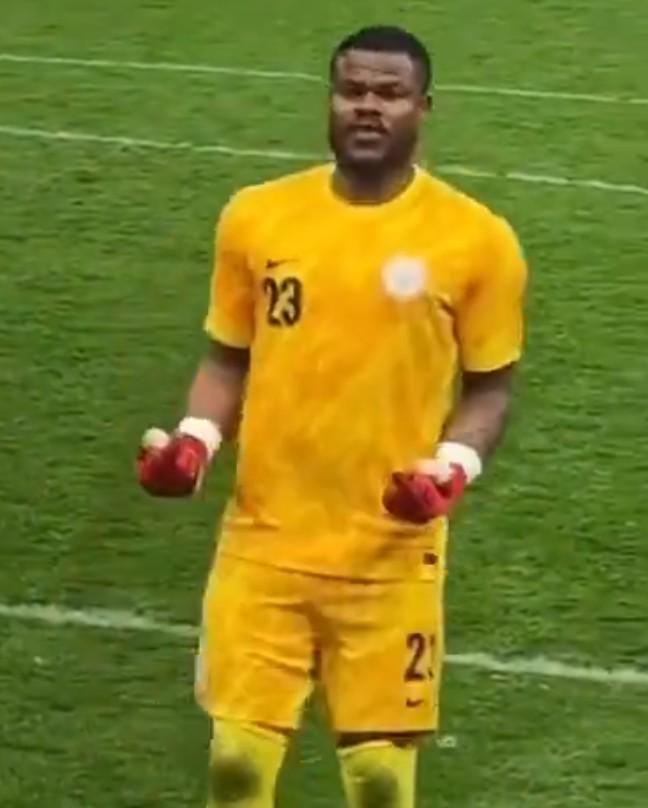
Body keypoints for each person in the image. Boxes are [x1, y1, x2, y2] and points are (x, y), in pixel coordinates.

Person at [137, 24, 528, 808]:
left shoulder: (478, 240)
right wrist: (195, 442)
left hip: (391, 552)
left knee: (380, 779)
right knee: (236, 764)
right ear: (331, 100)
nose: (368, 107)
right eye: (353, 90)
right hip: (264, 542)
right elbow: (228, 359)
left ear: (424, 107)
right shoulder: (257, 217)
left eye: (389, 93)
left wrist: (451, 471)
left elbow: (490, 388)